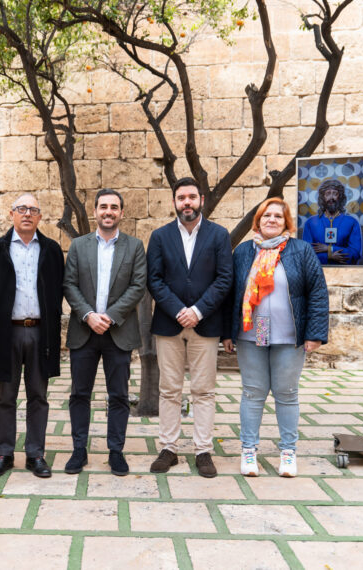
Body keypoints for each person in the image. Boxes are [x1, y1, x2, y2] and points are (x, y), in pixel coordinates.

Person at [223, 197, 329, 478]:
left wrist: (315, 333)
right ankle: (248, 450)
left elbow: (317, 293)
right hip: (251, 334)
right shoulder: (243, 252)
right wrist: (227, 333)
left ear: (286, 223)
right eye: (266, 215)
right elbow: (231, 294)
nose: (271, 220)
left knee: (287, 393)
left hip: (288, 336)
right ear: (258, 221)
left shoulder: (301, 251)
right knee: (252, 392)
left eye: (278, 216)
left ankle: (288, 452)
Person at [146, 177, 233, 478]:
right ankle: (168, 448)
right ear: (174, 202)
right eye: (181, 197)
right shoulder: (160, 236)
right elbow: (154, 279)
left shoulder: (219, 235)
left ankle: (203, 451)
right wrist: (178, 310)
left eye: (192, 197)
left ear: (201, 200)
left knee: (204, 390)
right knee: (169, 389)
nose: (187, 202)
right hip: (168, 323)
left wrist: (197, 310)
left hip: (205, 322)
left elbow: (224, 278)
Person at [63, 189, 147, 476]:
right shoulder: (78, 246)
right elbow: (69, 284)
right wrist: (89, 315)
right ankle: (79, 450)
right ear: (95, 211)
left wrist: (109, 317)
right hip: (84, 331)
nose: (108, 211)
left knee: (119, 395)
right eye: (103, 206)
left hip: (118, 332)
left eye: (114, 207)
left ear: (122, 212)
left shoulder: (135, 246)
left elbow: (138, 286)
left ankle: (116, 451)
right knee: (79, 394)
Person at [0, 193, 64, 478]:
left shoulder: (51, 250)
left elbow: (58, 289)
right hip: (8, 333)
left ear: (40, 216)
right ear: (11, 214)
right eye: (21, 209)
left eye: (33, 210)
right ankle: (4, 453)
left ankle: (35, 454)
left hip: (41, 332)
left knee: (38, 395)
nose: (27, 214)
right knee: (6, 395)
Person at [301, 179, 362, 264]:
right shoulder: (311, 223)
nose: (331, 198)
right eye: (328, 194)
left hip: (344, 270)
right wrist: (329, 256)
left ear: (340, 197)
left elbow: (355, 254)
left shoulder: (351, 222)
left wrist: (329, 249)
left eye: (335, 194)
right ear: (322, 197)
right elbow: (305, 254)